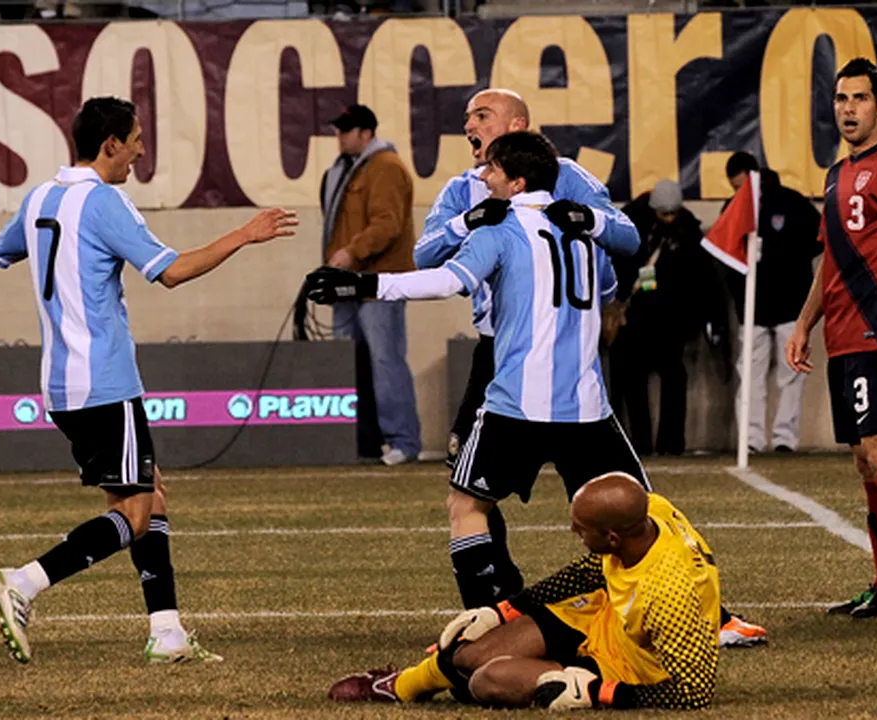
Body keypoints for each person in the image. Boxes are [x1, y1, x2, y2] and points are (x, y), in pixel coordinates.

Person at [306, 131, 765, 648]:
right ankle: (704, 618)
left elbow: (445, 279)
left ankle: (489, 622)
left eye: (493, 170)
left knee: (466, 506)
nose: (483, 177)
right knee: (644, 512)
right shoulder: (586, 230)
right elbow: (613, 280)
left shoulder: (502, 227)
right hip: (587, 408)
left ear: (517, 180)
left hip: (516, 405)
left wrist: (366, 286)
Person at [0, 96, 297, 664]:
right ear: (110, 146)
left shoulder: (38, 198)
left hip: (59, 383)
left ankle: (167, 633)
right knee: (135, 513)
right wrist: (245, 234)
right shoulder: (105, 202)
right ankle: (25, 581)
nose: (141, 149)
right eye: (135, 139)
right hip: (105, 381)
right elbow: (171, 272)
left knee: (150, 497)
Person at [327, 472, 720, 711]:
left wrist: (601, 692)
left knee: (487, 680)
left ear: (612, 536)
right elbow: (592, 569)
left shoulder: (671, 595)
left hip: (627, 667)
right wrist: (503, 611)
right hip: (603, 617)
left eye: (581, 529)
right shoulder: (652, 509)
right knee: (471, 649)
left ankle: (529, 681)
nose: (573, 533)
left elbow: (693, 693)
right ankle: (402, 686)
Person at [414, 88, 640, 472]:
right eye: (469, 117)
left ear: (517, 124)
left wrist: (590, 220)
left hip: (568, 348)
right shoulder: (462, 189)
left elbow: (627, 238)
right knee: (467, 479)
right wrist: (465, 221)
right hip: (498, 347)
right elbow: (425, 256)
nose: (469, 125)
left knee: (605, 486)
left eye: (482, 116)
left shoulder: (569, 176)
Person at [785, 58, 877, 618]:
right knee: (862, 458)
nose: (849, 108)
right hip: (845, 335)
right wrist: (805, 324)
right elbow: (831, 262)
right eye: (841, 99)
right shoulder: (834, 174)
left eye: (859, 99)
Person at [320, 103, 421, 466]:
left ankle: (404, 441)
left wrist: (350, 252)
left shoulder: (386, 168)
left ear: (366, 134)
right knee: (348, 364)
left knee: (385, 361)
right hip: (347, 283)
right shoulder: (344, 170)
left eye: (346, 130)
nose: (339, 136)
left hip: (381, 282)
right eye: (339, 130)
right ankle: (361, 440)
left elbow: (388, 224)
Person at [610, 178, 727, 456]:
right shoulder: (631, 225)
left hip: (671, 320)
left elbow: (703, 278)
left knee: (674, 380)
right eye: (664, 214)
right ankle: (639, 445)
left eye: (673, 213)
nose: (669, 219)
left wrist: (708, 318)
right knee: (632, 385)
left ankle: (671, 444)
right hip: (635, 318)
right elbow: (616, 265)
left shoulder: (688, 231)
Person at [722, 152, 822, 453]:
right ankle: (750, 439)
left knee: (791, 376)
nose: (739, 194)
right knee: (749, 378)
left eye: (742, 186)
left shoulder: (792, 203)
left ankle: (784, 439)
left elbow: (820, 239)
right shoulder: (734, 209)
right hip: (752, 311)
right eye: (734, 188)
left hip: (791, 307)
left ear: (755, 177)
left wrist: (788, 261)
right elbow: (726, 256)